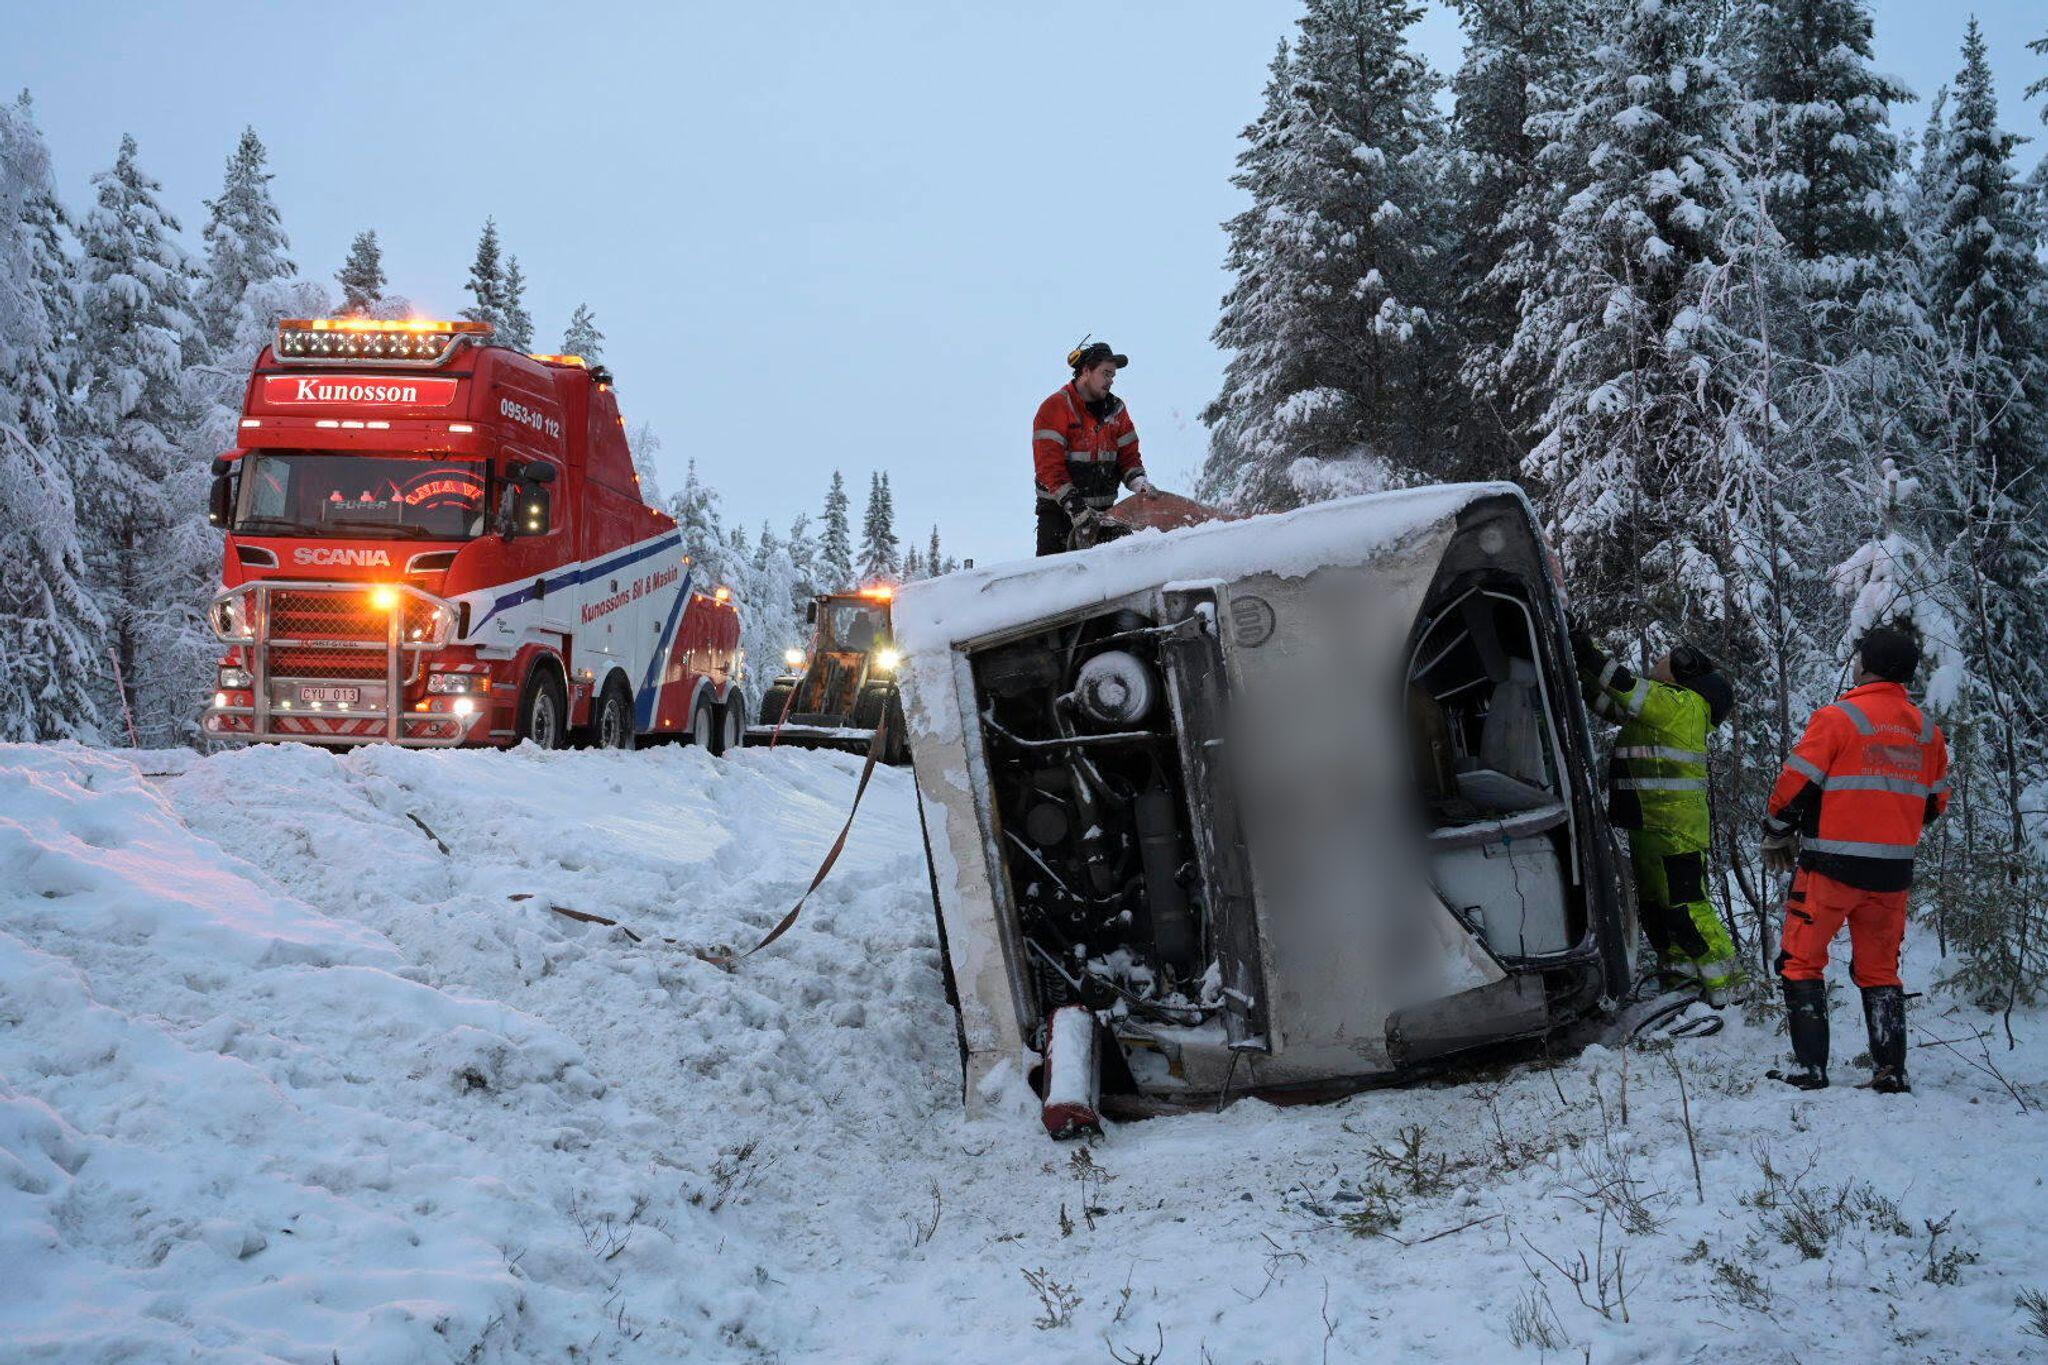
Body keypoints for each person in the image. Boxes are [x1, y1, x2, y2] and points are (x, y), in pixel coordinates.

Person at [1762, 624, 1949, 1093]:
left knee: (1801, 962)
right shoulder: (1929, 733)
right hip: (1892, 874)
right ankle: (1891, 1072)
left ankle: (1811, 1069)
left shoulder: (1838, 718)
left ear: (1866, 664)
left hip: (1830, 869)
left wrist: (1777, 831)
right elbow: (1934, 804)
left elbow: (1795, 784)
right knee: (1880, 971)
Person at [1570, 622, 1744, 1006]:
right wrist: (1579, 669)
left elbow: (1622, 684)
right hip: (1649, 824)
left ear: (1683, 670)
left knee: (1685, 907)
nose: (1657, 662)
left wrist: (1584, 647)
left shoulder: (1681, 703)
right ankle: (1681, 979)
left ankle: (1731, 988)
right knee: (1657, 909)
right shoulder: (1658, 708)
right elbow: (1605, 701)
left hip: (1673, 828)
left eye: (1664, 659)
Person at [1031, 340, 1157, 556]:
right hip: (1059, 518)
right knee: (1055, 575)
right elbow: (1048, 468)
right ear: (1086, 371)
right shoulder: (1055, 408)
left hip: (1105, 517)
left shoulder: (1117, 410)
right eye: (1106, 373)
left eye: (1113, 376)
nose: (1111, 381)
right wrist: (1075, 507)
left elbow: (1128, 457)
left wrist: (1139, 483)